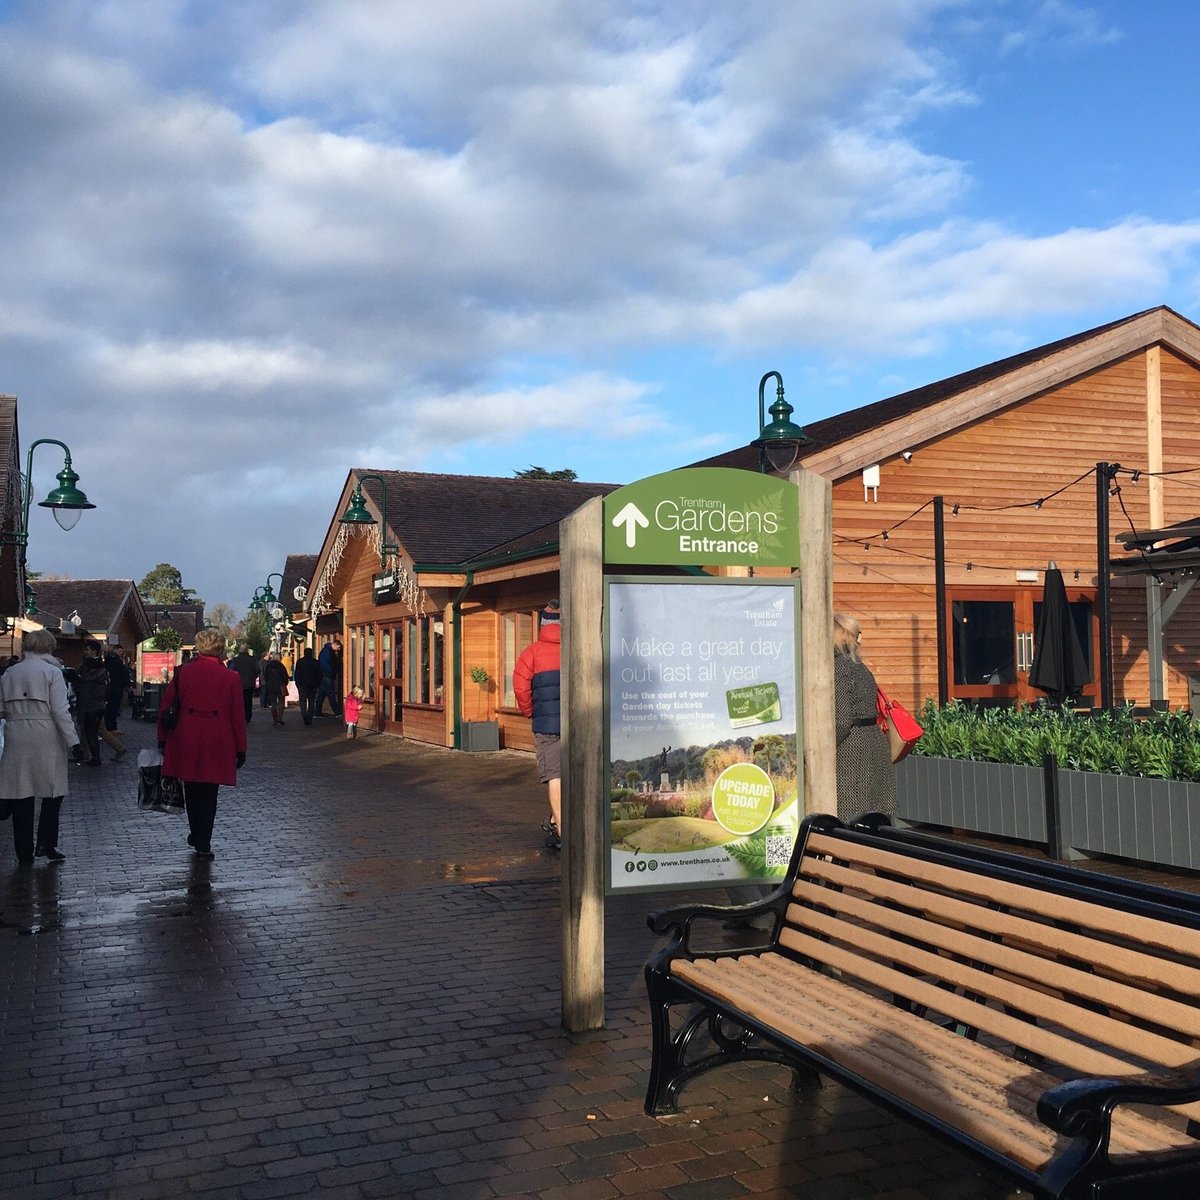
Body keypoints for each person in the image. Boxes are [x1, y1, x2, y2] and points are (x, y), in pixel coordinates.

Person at [158, 627, 247, 860]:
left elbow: (166, 707)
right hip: (217, 736)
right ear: (220, 648)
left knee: (191, 787)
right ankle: (203, 842)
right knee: (210, 791)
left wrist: (162, 738)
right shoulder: (231, 677)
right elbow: (237, 715)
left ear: (198, 647)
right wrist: (241, 747)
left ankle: (195, 832)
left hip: (186, 734)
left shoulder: (182, 673)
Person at [0, 629, 81, 865]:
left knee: (20, 791)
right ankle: (46, 843)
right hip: (46, 733)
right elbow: (60, 710)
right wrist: (73, 741)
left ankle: (23, 850)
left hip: (16, 733)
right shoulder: (52, 672)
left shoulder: (10, 673)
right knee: (53, 790)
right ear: (49, 647)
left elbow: (2, 708)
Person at [833, 612, 895, 822]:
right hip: (874, 742)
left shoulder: (839, 667)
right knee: (874, 816)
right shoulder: (861, 667)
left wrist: (821, 750)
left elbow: (841, 720)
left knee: (850, 817)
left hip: (852, 748)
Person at [514, 600, 562, 849]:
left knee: (555, 775)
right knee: (573, 773)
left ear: (543, 624)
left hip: (547, 725)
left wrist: (531, 712)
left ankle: (562, 833)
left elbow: (521, 688)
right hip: (578, 724)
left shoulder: (531, 653)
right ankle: (555, 819)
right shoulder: (574, 650)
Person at [75, 643, 126, 764]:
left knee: (89, 728)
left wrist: (78, 679)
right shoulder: (93, 664)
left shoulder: (95, 666)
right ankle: (118, 748)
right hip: (96, 702)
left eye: (87, 650)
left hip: (92, 702)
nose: (85, 652)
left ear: (94, 651)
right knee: (99, 729)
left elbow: (87, 680)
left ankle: (86, 754)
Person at [102, 647, 130, 740]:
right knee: (113, 707)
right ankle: (111, 727)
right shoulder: (115, 661)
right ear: (115, 650)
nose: (121, 653)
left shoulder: (111, 660)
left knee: (113, 707)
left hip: (114, 686)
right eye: (119, 651)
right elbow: (122, 672)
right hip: (115, 687)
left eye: (122, 651)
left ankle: (111, 727)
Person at [229, 643, 259, 723]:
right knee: (248, 701)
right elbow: (257, 671)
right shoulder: (253, 659)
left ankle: (240, 717)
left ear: (240, 650)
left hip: (238, 684)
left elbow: (231, 671)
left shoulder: (235, 660)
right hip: (249, 684)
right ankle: (248, 717)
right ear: (247, 650)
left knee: (239, 701)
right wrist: (253, 677)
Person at [293, 647, 323, 725]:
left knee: (302, 702)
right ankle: (309, 717)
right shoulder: (315, 662)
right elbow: (319, 674)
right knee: (312, 702)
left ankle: (304, 716)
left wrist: (298, 684)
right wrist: (318, 684)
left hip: (302, 686)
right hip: (313, 686)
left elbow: (297, 674)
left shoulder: (300, 662)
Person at [315, 636, 343, 718]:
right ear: (334, 645)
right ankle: (337, 712)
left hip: (324, 676)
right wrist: (331, 671)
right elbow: (324, 664)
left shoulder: (327, 651)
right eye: (338, 647)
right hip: (327, 676)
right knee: (331, 695)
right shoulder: (327, 652)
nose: (338, 650)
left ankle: (317, 712)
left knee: (321, 695)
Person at [260, 652, 291, 725]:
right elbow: (285, 676)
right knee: (281, 703)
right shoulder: (281, 666)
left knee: (273, 703)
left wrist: (268, 683)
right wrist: (285, 683)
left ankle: (274, 719)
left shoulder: (268, 666)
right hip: (280, 686)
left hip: (271, 687)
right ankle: (279, 717)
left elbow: (266, 676)